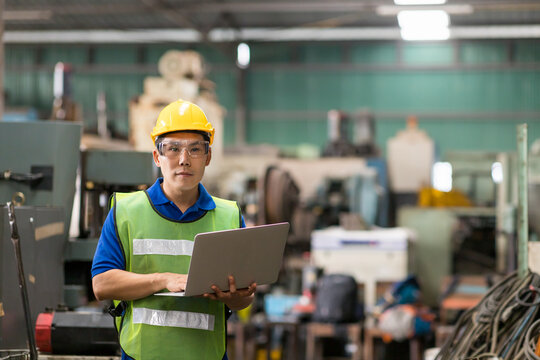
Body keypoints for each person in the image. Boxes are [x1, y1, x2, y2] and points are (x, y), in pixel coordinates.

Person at [91, 99, 256, 360]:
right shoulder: (126, 211)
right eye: (173, 149)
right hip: (142, 355)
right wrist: (162, 280)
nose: (184, 160)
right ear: (157, 156)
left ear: (208, 156)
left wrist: (237, 297)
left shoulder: (229, 217)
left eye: (195, 149)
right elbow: (102, 284)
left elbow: (243, 301)